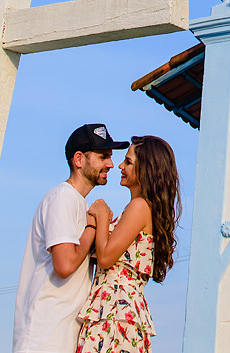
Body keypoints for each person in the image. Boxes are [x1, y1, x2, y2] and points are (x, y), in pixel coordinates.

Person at [13, 123, 130, 353]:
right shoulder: (62, 197)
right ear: (79, 159)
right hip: (44, 338)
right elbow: (64, 265)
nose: (110, 164)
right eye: (102, 156)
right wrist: (92, 226)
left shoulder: (79, 203)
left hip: (61, 338)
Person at [76, 135, 181, 353]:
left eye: (128, 162)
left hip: (116, 311)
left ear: (146, 169)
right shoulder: (138, 208)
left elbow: (105, 258)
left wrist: (102, 216)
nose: (120, 166)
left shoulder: (139, 207)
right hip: (117, 310)